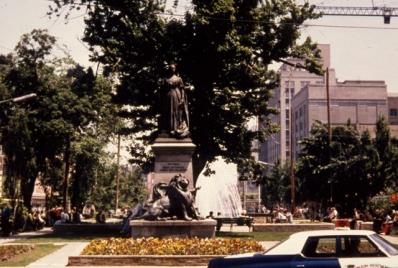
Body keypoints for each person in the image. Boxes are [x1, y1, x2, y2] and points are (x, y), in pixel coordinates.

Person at [159, 63, 190, 139]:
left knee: (176, 112)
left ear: (175, 69)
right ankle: (168, 128)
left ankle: (176, 128)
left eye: (174, 68)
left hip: (177, 95)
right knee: (168, 111)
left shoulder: (179, 79)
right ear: (169, 69)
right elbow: (161, 90)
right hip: (168, 96)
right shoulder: (165, 79)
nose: (172, 69)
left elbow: (182, 89)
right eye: (171, 68)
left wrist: (182, 98)